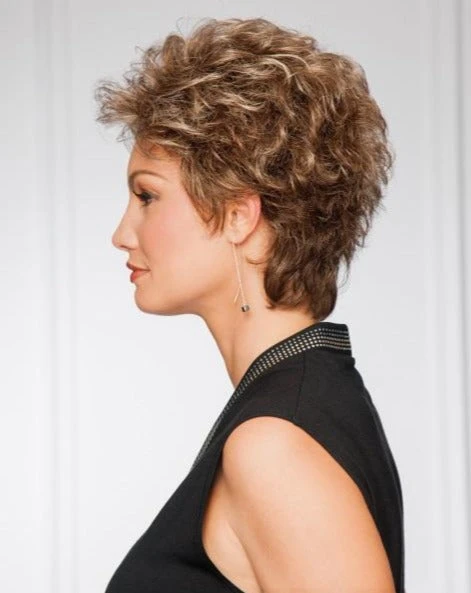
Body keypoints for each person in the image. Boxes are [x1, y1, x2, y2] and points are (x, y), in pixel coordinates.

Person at [94, 16, 405, 593]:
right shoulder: (298, 404)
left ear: (239, 214)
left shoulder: (274, 445)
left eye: (147, 196)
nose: (121, 234)